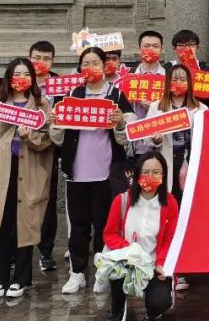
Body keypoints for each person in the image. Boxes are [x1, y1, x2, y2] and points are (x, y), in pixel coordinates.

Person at [50, 46, 137, 295]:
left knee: (103, 225)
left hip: (106, 173)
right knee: (78, 226)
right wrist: (55, 122)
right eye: (86, 63)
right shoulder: (71, 95)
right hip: (77, 173)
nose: (91, 68)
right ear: (80, 68)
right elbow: (57, 137)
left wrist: (120, 122)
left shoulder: (116, 95)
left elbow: (128, 135)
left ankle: (102, 271)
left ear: (104, 66)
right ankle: (77, 273)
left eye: (95, 63)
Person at [0, 57, 55, 300]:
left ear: (33, 78)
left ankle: (21, 279)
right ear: (9, 78)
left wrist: (29, 137)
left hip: (30, 170)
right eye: (17, 74)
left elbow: (48, 140)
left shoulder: (42, 104)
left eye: (26, 74)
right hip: (1, 170)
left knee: (25, 225)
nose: (21, 79)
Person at [146, 62, 206, 293]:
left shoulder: (200, 109)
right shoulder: (156, 107)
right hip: (165, 167)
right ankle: (163, 264)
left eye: (183, 79)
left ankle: (183, 269)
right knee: (165, 217)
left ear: (189, 83)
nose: (178, 83)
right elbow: (147, 139)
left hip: (190, 169)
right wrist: (156, 139)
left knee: (185, 218)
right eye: (174, 79)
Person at [100, 151, 178, 321]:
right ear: (137, 174)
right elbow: (109, 234)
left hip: (153, 264)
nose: (150, 177)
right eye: (145, 172)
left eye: (156, 172)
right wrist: (128, 249)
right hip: (127, 261)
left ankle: (153, 311)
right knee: (115, 270)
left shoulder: (170, 203)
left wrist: (161, 263)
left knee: (160, 302)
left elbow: (170, 239)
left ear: (164, 175)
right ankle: (118, 308)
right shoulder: (122, 200)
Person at [131, 31, 166, 120]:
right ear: (139, 49)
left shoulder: (169, 77)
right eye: (146, 46)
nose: (151, 49)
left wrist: (155, 107)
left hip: (160, 125)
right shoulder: (128, 76)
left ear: (161, 50)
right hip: (134, 126)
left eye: (155, 46)